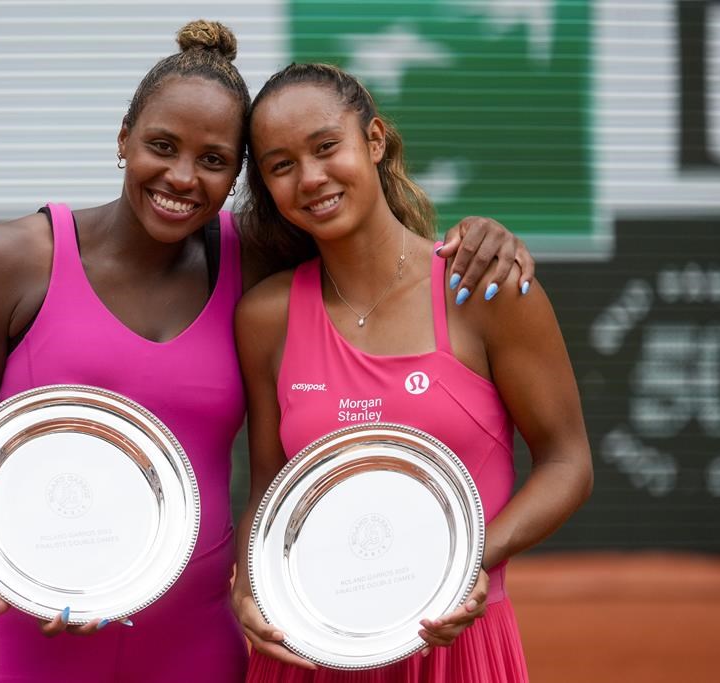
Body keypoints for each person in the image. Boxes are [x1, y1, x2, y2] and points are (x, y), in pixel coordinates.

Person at [0, 20, 536, 683]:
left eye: (213, 160)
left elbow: (378, 254)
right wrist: (18, 556)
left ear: (238, 172)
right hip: (32, 640)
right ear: (123, 139)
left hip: (197, 648)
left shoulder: (257, 259)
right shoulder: (10, 259)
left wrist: (481, 235)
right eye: (161, 146)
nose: (181, 177)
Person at [232, 62, 593, 682]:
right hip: (312, 649)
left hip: (455, 647)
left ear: (374, 141)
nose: (311, 178)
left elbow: (568, 462)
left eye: (326, 147)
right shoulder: (265, 316)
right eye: (281, 165)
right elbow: (270, 488)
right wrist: (249, 592)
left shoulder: (483, 286)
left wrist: (472, 561)